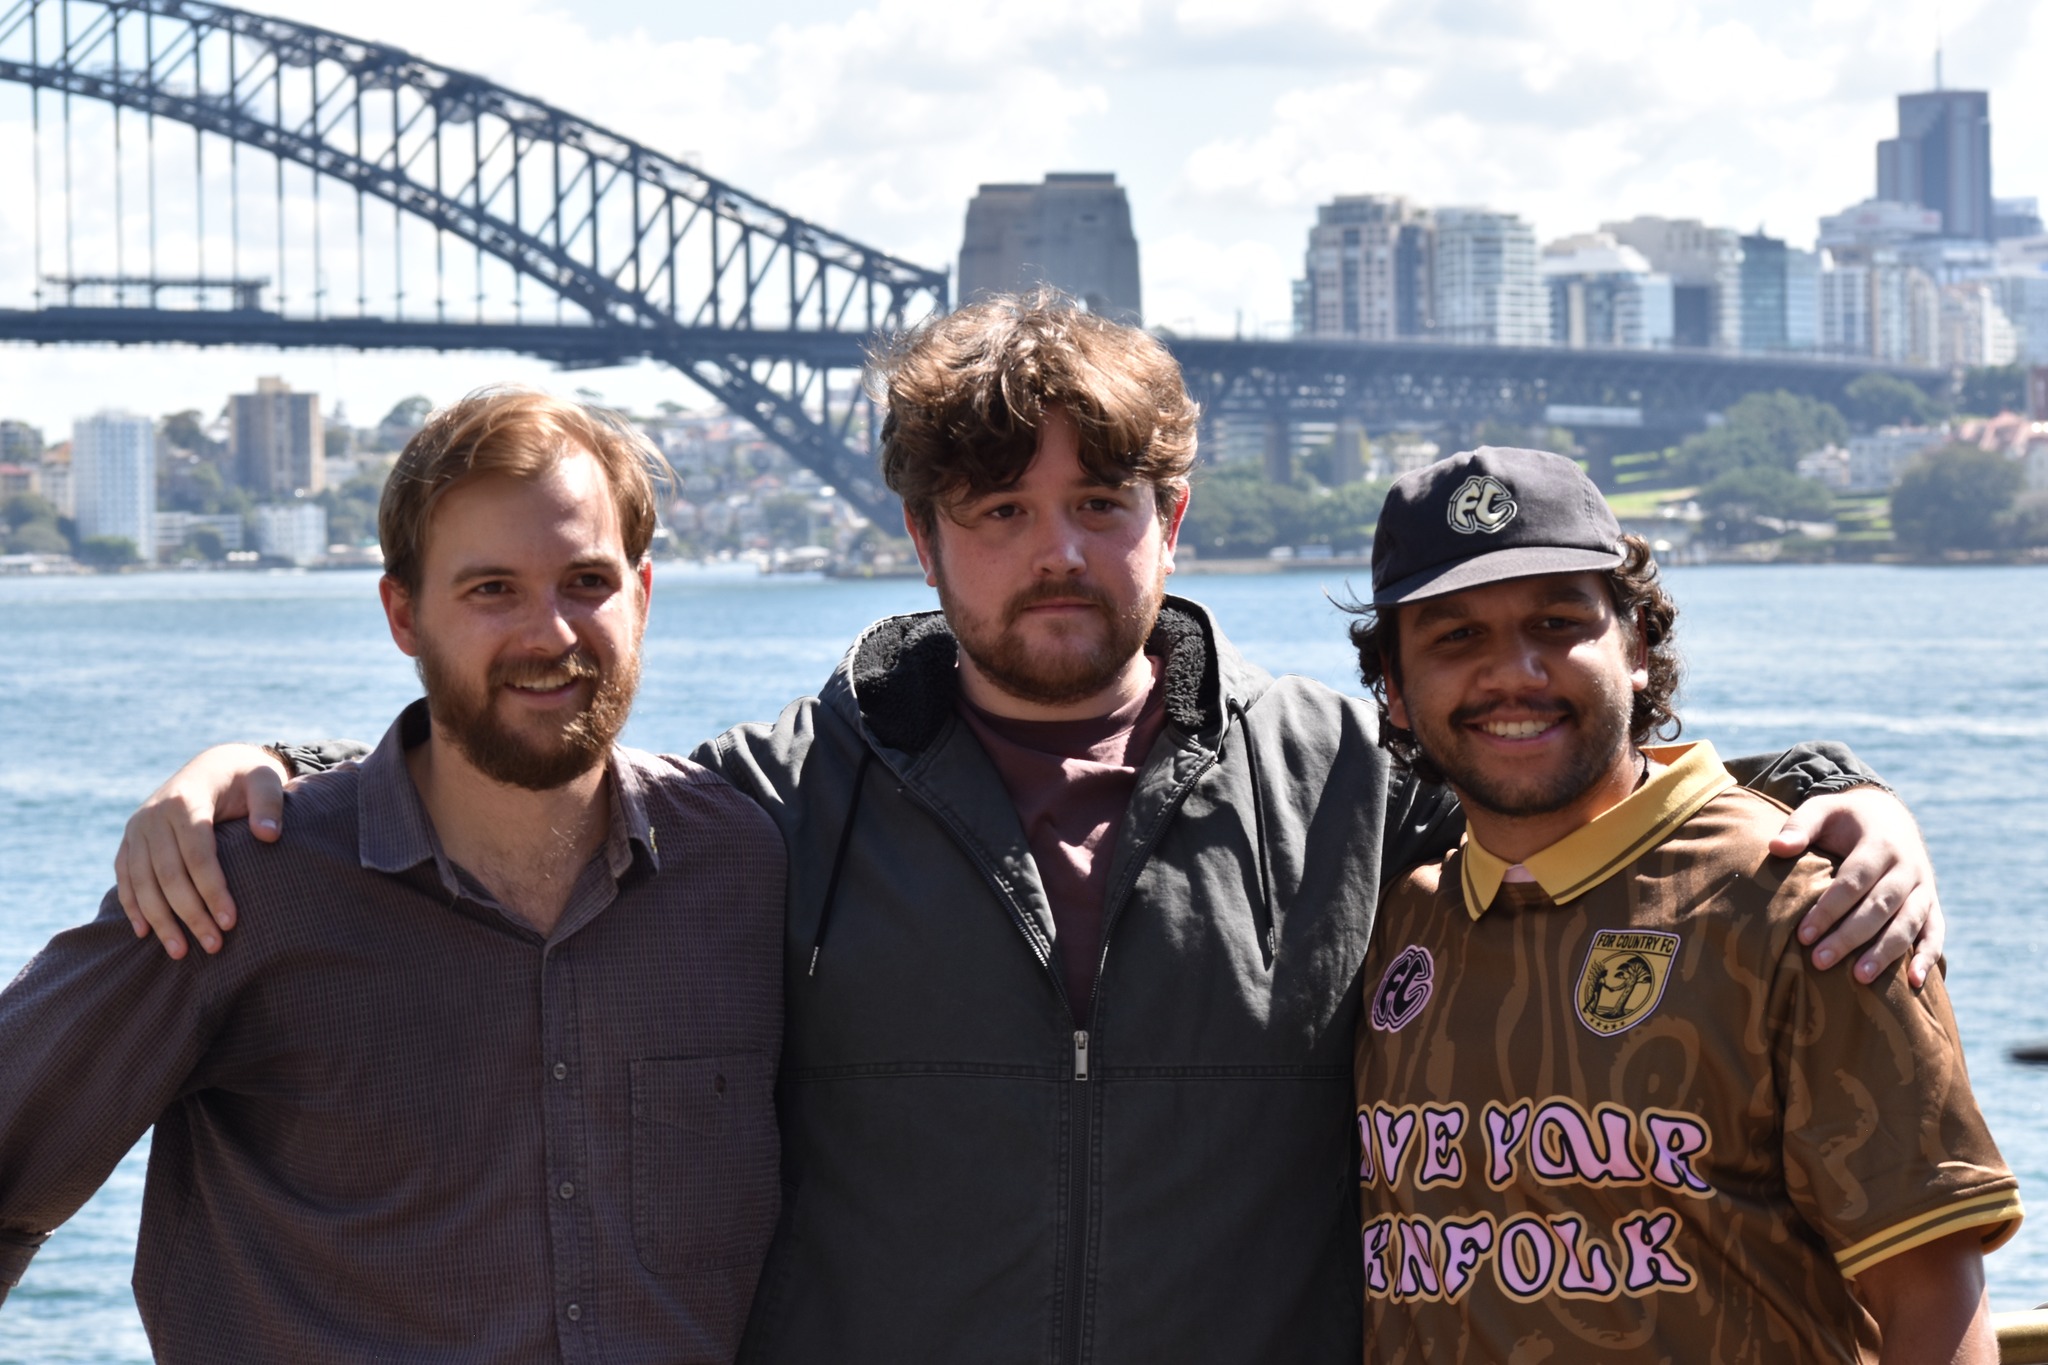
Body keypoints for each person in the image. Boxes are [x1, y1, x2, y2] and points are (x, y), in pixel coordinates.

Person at [111, 298, 1943, 1363]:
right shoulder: (779, 802)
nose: (1055, 552)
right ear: (921, 541)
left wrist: (1834, 791)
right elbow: (542, 779)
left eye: (1102, 501)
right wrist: (256, 769)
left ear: (1173, 519)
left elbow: (1576, 774)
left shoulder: (1342, 778)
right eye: (995, 510)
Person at [0, 390, 786, 1363]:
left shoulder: (739, 867)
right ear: (404, 615)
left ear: (643, 594)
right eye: (491, 589)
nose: (549, 634)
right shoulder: (238, 887)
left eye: (586, 580)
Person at [1348, 446, 2020, 1364]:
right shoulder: (1392, 919)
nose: (1515, 671)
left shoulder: (1814, 903)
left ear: (1635, 648)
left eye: (1556, 622)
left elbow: (1931, 1300)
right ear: (1393, 686)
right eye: (1457, 636)